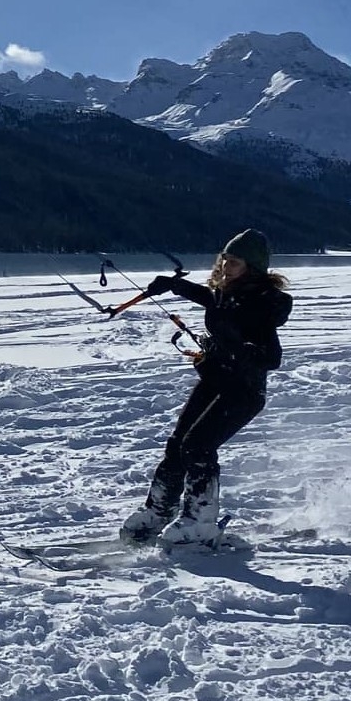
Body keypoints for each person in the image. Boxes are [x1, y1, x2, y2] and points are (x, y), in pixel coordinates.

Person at [120, 229, 292, 546]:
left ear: (251, 267)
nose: (226, 265)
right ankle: (159, 512)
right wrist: (174, 285)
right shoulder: (228, 292)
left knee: (197, 447)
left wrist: (235, 349)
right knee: (177, 446)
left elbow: (272, 357)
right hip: (216, 381)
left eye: (235, 261)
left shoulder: (261, 304)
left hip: (244, 392)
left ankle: (200, 521)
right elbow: (211, 299)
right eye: (225, 258)